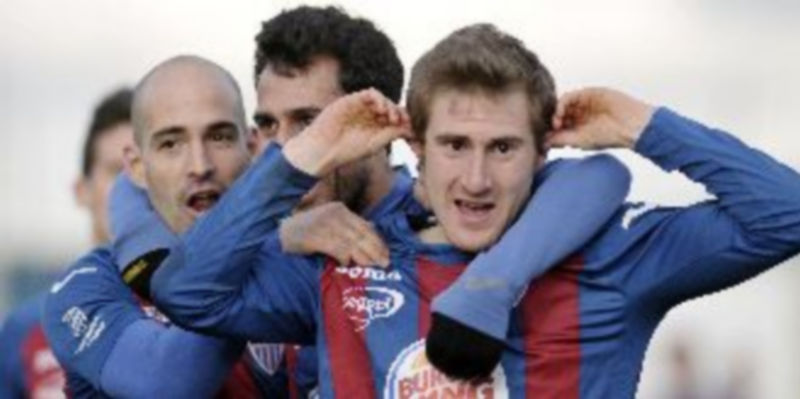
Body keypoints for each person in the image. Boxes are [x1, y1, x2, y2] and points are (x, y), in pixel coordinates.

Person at [139, 23, 799, 398]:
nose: (477, 179)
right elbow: (186, 289)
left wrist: (640, 124)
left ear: (544, 149)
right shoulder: (350, 253)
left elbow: (786, 213)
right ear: (415, 146)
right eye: (454, 145)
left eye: (503, 147)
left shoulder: (613, 254)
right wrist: (305, 155)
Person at [0, 88, 134, 399]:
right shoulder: (26, 329)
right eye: (116, 171)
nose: (132, 188)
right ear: (81, 190)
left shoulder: (197, 319)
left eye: (142, 170)